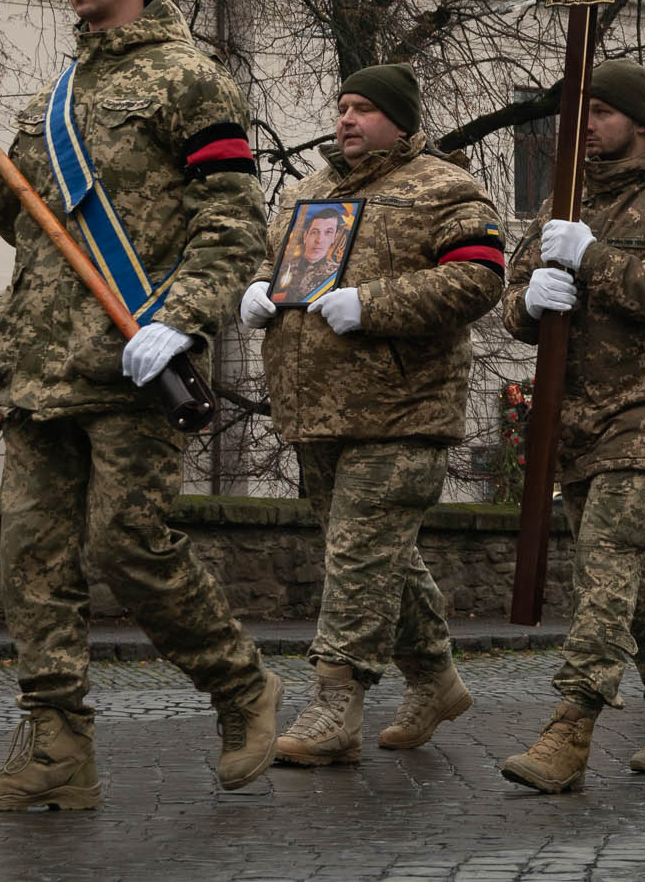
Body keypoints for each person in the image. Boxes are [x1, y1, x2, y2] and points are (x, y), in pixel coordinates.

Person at [0, 0, 279, 809]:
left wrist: (183, 318)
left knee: (127, 545)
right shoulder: (60, 95)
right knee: (32, 561)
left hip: (130, 361)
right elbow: (26, 223)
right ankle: (56, 750)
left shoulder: (192, 81)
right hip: (41, 364)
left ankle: (242, 687)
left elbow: (234, 219)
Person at [236, 66, 504, 764]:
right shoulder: (308, 191)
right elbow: (274, 261)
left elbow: (479, 276)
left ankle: (335, 701)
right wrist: (258, 289)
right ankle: (435, 678)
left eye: (364, 109)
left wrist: (373, 303)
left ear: (400, 120)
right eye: (342, 106)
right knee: (375, 553)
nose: (347, 119)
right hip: (316, 406)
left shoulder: (446, 187)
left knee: (357, 552)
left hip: (404, 408)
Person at [497, 59, 645, 793]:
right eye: (577, 112)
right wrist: (530, 299)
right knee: (624, 575)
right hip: (574, 419)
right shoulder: (562, 203)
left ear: (641, 120)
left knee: (604, 562)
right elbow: (512, 305)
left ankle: (571, 725)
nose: (583, 124)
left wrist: (592, 259)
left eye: (599, 111)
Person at [271, 203, 349, 301]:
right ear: (305, 236)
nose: (319, 240)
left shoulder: (337, 273)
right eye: (315, 232)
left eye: (328, 232)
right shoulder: (284, 269)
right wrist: (260, 281)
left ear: (335, 237)